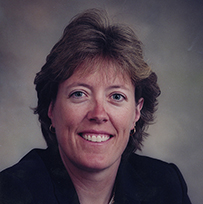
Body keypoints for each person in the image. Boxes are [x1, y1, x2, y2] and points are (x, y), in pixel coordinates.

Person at [0, 8, 191, 204]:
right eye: (79, 94)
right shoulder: (11, 193)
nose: (99, 114)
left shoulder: (166, 185)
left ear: (136, 112)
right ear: (51, 109)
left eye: (116, 96)